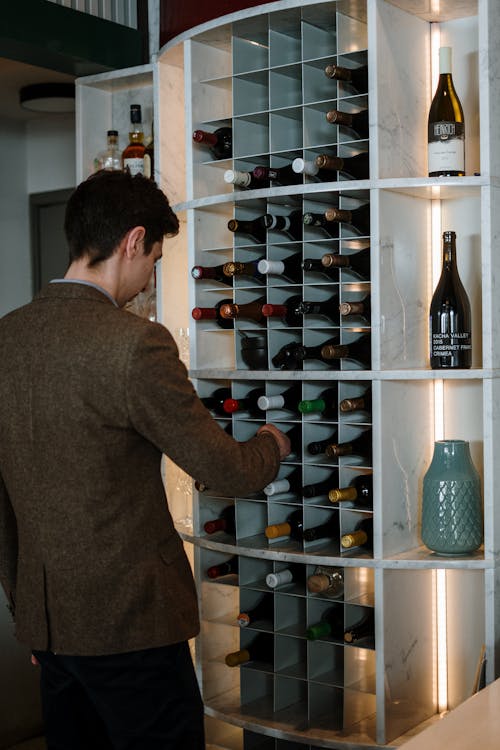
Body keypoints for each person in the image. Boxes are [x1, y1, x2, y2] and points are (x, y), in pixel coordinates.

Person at [0, 170, 290, 749]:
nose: (149, 277)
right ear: (133, 241)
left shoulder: (7, 338)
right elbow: (226, 470)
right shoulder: (135, 344)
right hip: (132, 626)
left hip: (52, 628)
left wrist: (32, 616)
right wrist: (271, 445)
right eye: (154, 258)